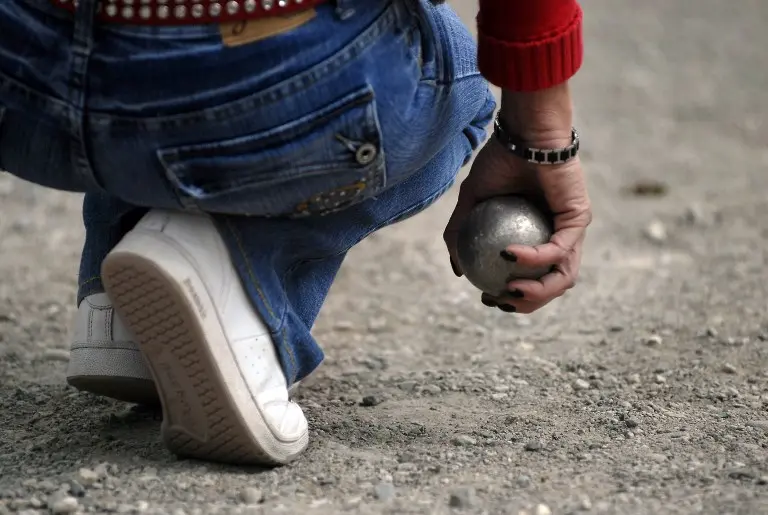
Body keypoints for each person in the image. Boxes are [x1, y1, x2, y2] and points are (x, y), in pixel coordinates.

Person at [0, 0, 590, 465]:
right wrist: (539, 131)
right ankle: (239, 271)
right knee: (454, 77)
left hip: (25, 90)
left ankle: (120, 303)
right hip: (246, 82)